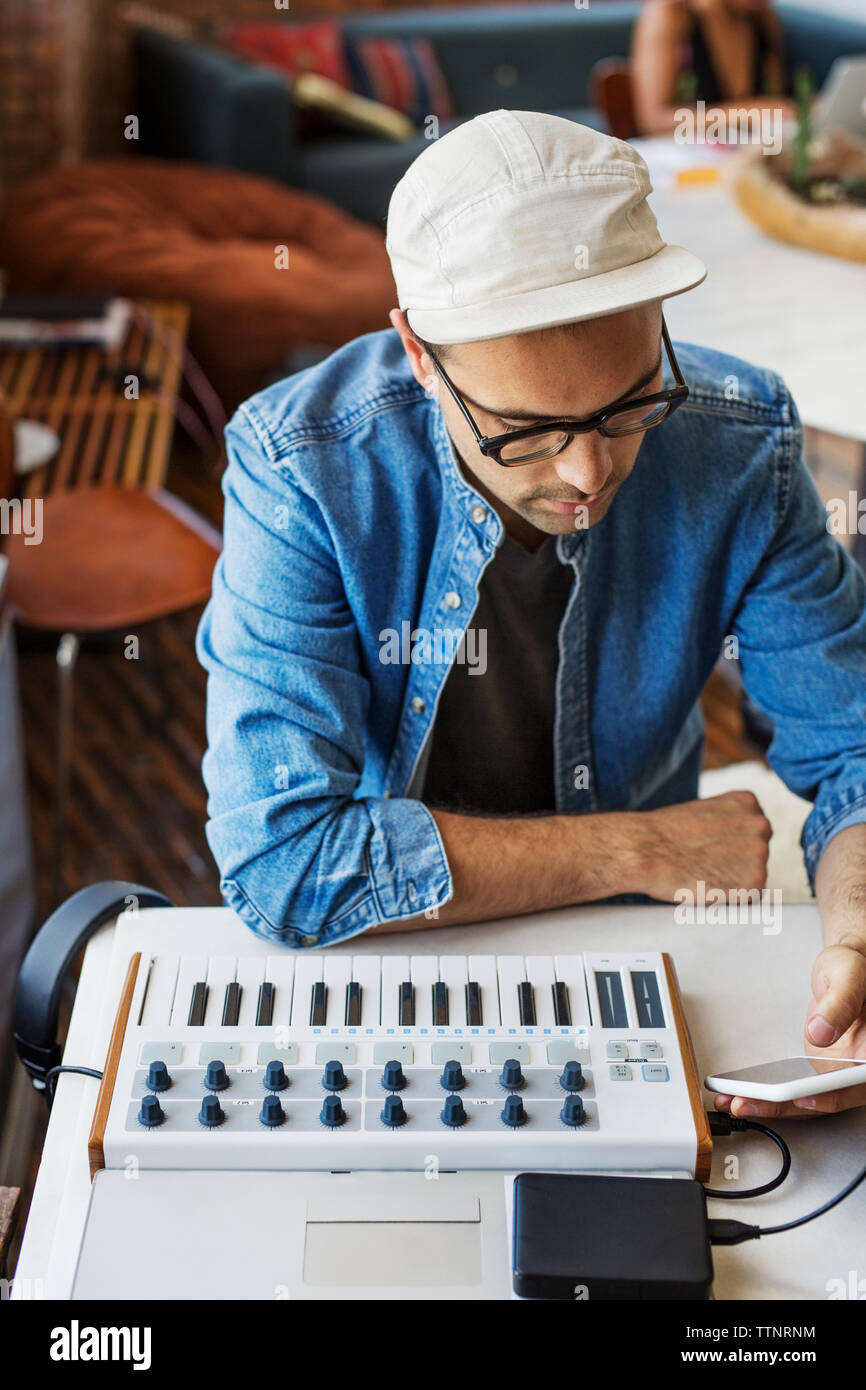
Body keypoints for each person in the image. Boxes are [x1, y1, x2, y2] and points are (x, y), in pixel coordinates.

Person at [197, 111, 866, 1120]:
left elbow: (852, 749)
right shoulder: (300, 468)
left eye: (627, 405)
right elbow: (286, 860)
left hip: (641, 948)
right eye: (525, 432)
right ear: (420, 355)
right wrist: (633, 848)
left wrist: (855, 938)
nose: (586, 473)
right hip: (386, 946)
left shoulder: (739, 440)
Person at [632, 0, 792, 136]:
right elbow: (652, 121)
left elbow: (776, 98)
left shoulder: (761, 18)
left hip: (740, 157)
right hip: (681, 160)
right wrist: (743, 113)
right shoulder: (671, 15)